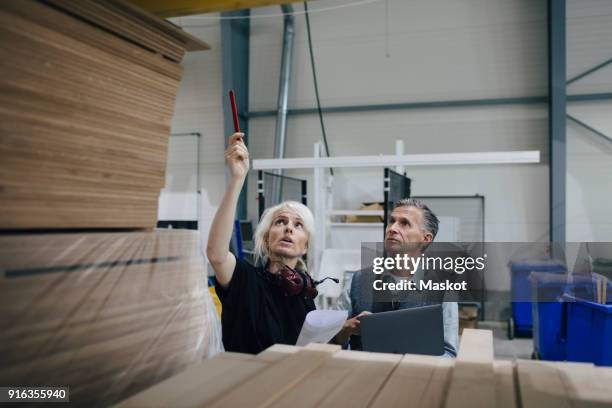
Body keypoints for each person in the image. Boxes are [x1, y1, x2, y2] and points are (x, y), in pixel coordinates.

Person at [206, 132, 317, 354]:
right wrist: (237, 179)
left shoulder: (304, 293)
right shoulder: (245, 279)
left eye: (298, 225)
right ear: (267, 239)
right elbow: (216, 254)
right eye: (280, 222)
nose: (288, 228)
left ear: (305, 247)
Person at [333, 199, 459, 357]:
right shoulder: (358, 280)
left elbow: (448, 353)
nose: (392, 228)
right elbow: (330, 340)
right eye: (391, 221)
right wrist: (347, 328)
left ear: (426, 238)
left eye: (404, 223)